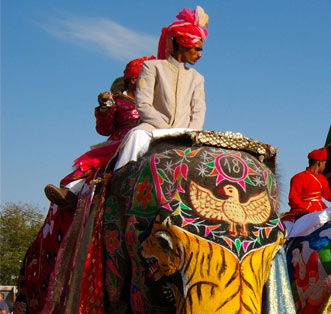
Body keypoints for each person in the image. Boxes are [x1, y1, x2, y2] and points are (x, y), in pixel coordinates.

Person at [44, 56, 156, 208]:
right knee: (97, 165)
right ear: (133, 80)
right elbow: (105, 129)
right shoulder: (117, 101)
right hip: (121, 142)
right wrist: (104, 110)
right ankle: (71, 192)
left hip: (151, 138)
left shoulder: (155, 102)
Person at [114, 6, 209, 170]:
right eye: (197, 49)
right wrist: (167, 129)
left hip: (184, 134)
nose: (200, 55)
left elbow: (198, 111)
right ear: (183, 43)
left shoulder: (197, 78)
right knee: (136, 136)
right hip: (152, 130)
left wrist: (187, 133)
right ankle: (119, 186)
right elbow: (144, 105)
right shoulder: (152, 67)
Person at [280, 148, 331, 222]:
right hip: (303, 211)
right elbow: (293, 199)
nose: (325, 167)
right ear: (319, 163)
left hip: (321, 210)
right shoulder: (298, 177)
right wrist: (310, 208)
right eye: (324, 164)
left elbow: (330, 197)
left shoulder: (321, 178)